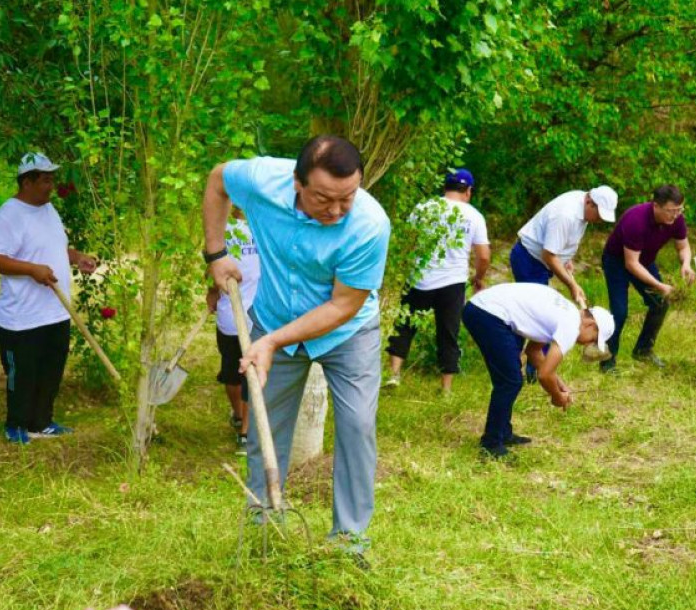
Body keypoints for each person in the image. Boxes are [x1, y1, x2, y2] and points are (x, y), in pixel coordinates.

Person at [202, 135, 390, 558]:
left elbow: (343, 306)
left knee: (358, 426)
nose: (338, 210)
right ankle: (262, 520)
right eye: (325, 198)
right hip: (274, 315)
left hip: (347, 332)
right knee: (266, 421)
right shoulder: (263, 180)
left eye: (348, 197)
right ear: (296, 183)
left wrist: (271, 342)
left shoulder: (369, 225)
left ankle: (349, 540)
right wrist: (215, 253)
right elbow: (218, 181)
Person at [0, 152, 98, 444]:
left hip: (56, 312)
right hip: (22, 318)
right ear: (28, 181)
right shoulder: (9, 214)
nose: (52, 185)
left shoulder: (48, 210)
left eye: (52, 179)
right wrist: (31, 270)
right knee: (22, 375)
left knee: (50, 371)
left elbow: (56, 249)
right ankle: (16, 425)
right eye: (46, 180)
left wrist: (78, 258)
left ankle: (41, 422)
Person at [462, 283, 613, 459]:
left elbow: (533, 352)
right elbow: (544, 375)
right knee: (510, 381)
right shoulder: (571, 325)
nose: (588, 344)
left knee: (509, 378)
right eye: (593, 339)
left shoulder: (566, 313)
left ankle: (503, 432)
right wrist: (557, 396)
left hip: (482, 308)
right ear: (590, 325)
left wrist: (559, 384)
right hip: (487, 313)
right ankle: (491, 444)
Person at [384, 168, 491, 393]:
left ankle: (394, 375)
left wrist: (406, 267)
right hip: (452, 283)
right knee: (448, 333)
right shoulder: (473, 216)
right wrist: (478, 278)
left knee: (405, 325)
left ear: (445, 187)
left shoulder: (424, 208)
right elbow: (483, 256)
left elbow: (408, 241)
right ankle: (446, 388)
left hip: (418, 277)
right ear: (468, 191)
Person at [599, 185, 695, 373]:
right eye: (671, 211)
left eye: (680, 210)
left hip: (644, 260)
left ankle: (643, 350)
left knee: (660, 302)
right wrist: (660, 285)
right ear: (656, 206)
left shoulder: (676, 219)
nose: (675, 215)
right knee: (619, 312)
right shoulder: (636, 220)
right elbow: (631, 264)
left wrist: (686, 264)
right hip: (617, 262)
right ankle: (608, 361)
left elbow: (683, 246)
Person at [205, 207, 260, 455]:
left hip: (248, 317)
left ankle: (243, 425)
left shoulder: (223, 230)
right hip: (242, 316)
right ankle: (241, 422)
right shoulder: (224, 230)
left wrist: (211, 291)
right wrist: (213, 292)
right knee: (240, 375)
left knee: (241, 373)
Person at [511, 186, 619, 304]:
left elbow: (564, 237)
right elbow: (548, 255)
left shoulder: (583, 202)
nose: (600, 221)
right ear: (589, 202)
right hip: (529, 261)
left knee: (537, 308)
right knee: (535, 310)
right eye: (599, 216)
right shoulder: (565, 215)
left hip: (540, 261)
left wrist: (566, 259)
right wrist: (572, 284)